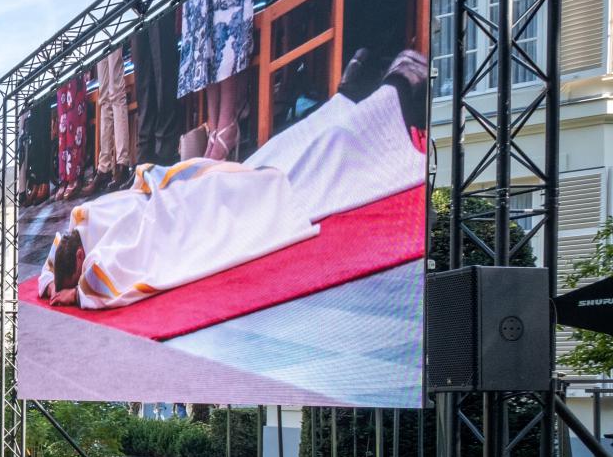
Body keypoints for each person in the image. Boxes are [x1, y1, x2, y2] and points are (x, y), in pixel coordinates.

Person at [36, 51, 428, 312]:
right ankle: (354, 96)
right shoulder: (84, 221)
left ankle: (393, 91)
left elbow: (106, 276)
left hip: (212, 207)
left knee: (314, 171)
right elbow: (59, 258)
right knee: (282, 152)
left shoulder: (102, 251)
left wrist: (80, 293)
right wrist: (58, 279)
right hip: (200, 187)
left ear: (84, 259)